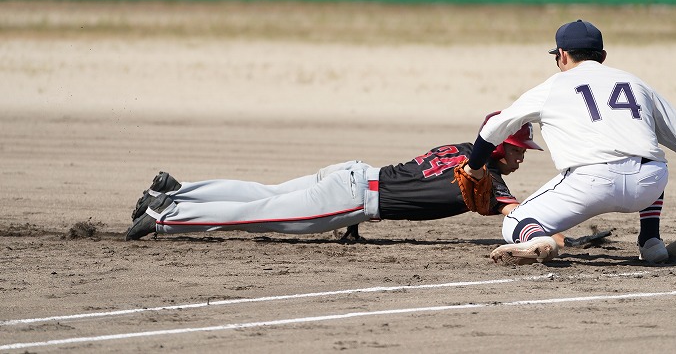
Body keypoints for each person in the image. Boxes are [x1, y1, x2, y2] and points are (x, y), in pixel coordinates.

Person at [461, 19, 676, 265]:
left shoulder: (553, 86)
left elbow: (494, 126)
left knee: (514, 221)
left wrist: (474, 166)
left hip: (591, 184)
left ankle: (538, 239)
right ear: (603, 56)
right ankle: (651, 242)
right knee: (650, 158)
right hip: (648, 185)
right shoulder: (636, 83)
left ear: (562, 55)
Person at [124, 115, 543, 241]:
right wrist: (553, 234)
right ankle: (165, 216)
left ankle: (175, 192)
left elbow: (414, 182)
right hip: (351, 198)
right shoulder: (489, 178)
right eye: (518, 149)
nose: (522, 157)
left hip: (354, 173)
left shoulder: (461, 148)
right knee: (256, 213)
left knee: (263, 194)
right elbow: (520, 214)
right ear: (499, 146)